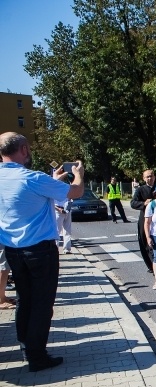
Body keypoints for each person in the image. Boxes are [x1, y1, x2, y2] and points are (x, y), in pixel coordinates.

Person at [0, 132, 85, 371]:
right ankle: (37, 356)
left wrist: (53, 180)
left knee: (24, 300)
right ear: (24, 150)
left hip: (13, 250)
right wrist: (78, 174)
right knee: (41, 303)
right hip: (39, 250)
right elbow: (75, 192)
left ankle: (26, 347)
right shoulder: (32, 178)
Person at [131, 169, 156, 272]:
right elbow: (133, 203)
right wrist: (144, 203)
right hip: (144, 218)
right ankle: (150, 265)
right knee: (144, 240)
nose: (150, 178)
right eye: (147, 177)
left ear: (154, 177)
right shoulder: (140, 190)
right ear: (144, 178)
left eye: (151, 176)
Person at [54, 179, 73, 255]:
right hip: (58, 211)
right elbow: (52, 203)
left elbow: (70, 199)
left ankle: (67, 249)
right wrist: (59, 209)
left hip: (67, 210)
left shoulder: (67, 190)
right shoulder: (54, 192)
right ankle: (55, 249)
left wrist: (68, 208)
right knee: (57, 231)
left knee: (67, 230)